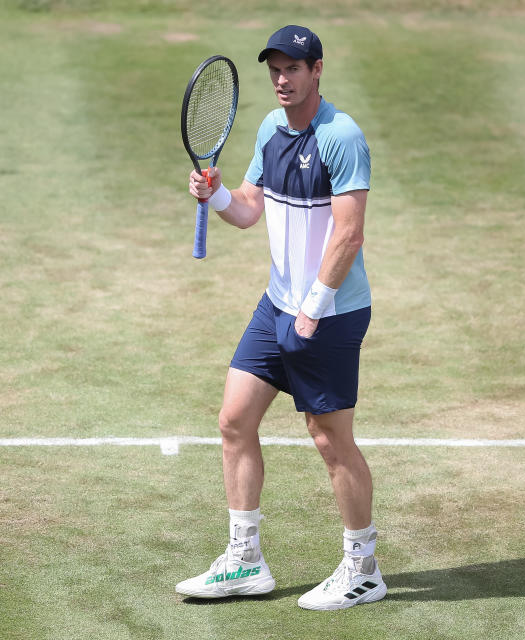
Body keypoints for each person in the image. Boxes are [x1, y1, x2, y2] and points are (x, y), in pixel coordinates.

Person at [175, 25, 387, 611]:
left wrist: (313, 312)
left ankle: (363, 569)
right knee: (234, 421)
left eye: (293, 68)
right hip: (277, 307)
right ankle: (245, 561)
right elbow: (246, 210)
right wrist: (214, 194)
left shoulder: (342, 137)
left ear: (318, 70)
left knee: (330, 440)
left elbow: (349, 234)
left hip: (330, 313)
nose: (281, 78)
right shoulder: (271, 129)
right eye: (274, 67)